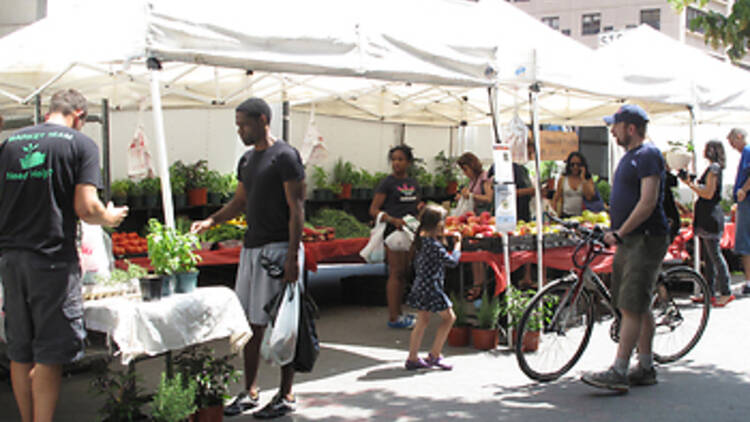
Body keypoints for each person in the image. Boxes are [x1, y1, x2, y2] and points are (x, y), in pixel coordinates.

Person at [0, 89, 128, 422]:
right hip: (52, 259)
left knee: (20, 351)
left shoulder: (10, 144)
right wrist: (109, 218)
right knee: (49, 354)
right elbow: (86, 208)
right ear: (79, 115)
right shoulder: (79, 144)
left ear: (49, 112)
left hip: (12, 260)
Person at [191, 97, 305, 419]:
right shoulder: (246, 161)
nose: (240, 130)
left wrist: (293, 257)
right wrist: (211, 220)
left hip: (279, 249)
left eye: (244, 124)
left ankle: (286, 394)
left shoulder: (285, 157)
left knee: (283, 325)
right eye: (237, 124)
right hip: (252, 249)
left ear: (263, 120)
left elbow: (297, 209)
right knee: (249, 323)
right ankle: (251, 390)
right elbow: (240, 201)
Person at [581, 104, 669, 393]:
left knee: (631, 305)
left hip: (644, 238)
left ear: (630, 128)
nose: (612, 130)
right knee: (637, 304)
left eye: (615, 126)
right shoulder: (632, 157)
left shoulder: (648, 155)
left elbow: (648, 202)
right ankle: (644, 366)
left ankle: (619, 371)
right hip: (631, 238)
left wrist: (620, 231)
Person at [404, 204, 461, 370]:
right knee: (449, 318)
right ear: (437, 225)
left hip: (421, 285)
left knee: (422, 320)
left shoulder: (421, 241)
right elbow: (452, 262)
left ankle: (413, 357)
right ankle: (435, 354)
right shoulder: (434, 245)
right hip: (432, 287)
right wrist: (458, 245)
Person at [369, 145, 421, 329]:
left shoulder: (414, 184)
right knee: (396, 272)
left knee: (405, 273)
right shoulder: (387, 183)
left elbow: (415, 206)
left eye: (400, 159)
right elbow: (373, 210)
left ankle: (399, 312)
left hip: (411, 233)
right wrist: (393, 220)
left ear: (408, 162)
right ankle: (393, 317)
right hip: (394, 232)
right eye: (394, 159)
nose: (396, 163)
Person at [679, 141, 734, 307]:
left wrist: (690, 185)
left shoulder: (714, 169)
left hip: (710, 216)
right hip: (707, 216)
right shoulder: (713, 168)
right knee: (709, 258)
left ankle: (726, 291)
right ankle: (708, 292)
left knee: (715, 255)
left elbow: (708, 193)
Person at [455, 152, 493, 300]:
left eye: (465, 169)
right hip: (474, 221)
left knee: (478, 254)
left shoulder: (484, 178)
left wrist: (471, 196)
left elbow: (489, 198)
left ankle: (479, 286)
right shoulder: (472, 181)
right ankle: (477, 284)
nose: (465, 173)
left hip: (483, 220)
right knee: (474, 254)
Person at [727, 128, 750, 295]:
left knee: (745, 242)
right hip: (744, 202)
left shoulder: (748, 151)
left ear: (740, 137)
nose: (732, 145)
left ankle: (749, 281)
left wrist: (743, 190)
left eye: (732, 141)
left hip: (747, 201)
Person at [552, 151, 596, 218]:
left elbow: (589, 196)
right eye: (572, 164)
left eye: (578, 164)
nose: (575, 167)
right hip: (565, 215)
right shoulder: (563, 179)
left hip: (583, 216)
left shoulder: (587, 179)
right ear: (569, 166)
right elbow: (557, 196)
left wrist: (583, 178)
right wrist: (554, 212)